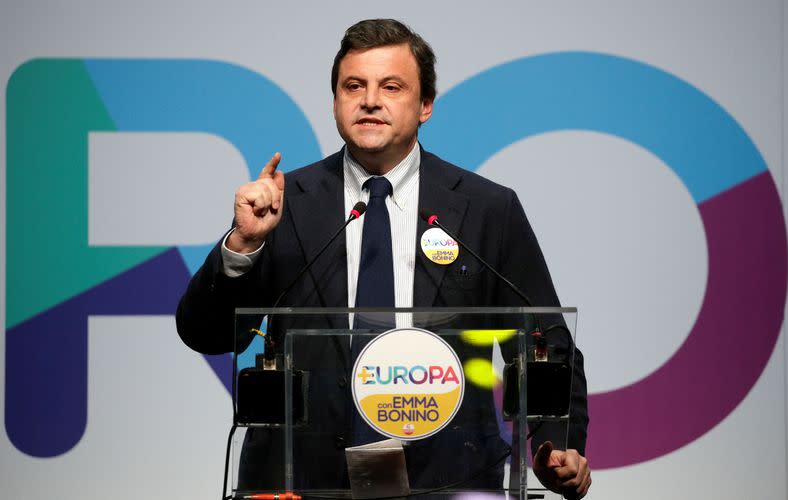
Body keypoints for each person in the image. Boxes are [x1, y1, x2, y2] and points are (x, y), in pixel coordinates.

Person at [177, 18, 591, 499]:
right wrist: (243, 246)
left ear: (425, 106)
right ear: (336, 102)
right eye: (354, 86)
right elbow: (203, 333)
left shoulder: (486, 209)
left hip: (447, 480)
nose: (370, 100)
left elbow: (545, 342)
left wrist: (556, 445)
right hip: (300, 482)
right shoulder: (283, 204)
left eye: (391, 86)